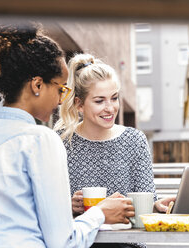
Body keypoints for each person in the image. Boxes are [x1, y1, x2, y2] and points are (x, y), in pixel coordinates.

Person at [0, 23, 135, 248]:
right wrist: (100, 213)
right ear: (37, 85)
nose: (60, 100)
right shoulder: (40, 140)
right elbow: (64, 242)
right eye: (60, 89)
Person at [54, 53, 176, 248]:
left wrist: (156, 206)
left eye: (114, 98)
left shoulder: (134, 140)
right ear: (79, 104)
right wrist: (69, 206)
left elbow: (146, 200)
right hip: (81, 242)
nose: (110, 108)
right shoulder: (60, 141)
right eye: (99, 101)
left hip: (127, 244)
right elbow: (48, 207)